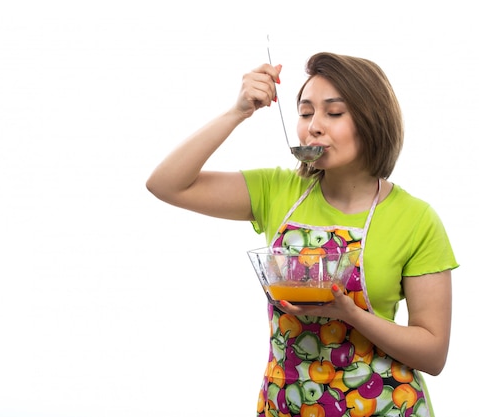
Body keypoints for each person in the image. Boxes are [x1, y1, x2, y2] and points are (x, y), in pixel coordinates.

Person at [146, 51, 458, 417]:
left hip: (383, 405)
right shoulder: (276, 190)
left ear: (372, 121)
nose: (314, 126)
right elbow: (166, 185)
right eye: (306, 113)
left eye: (334, 112)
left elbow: (433, 353)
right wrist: (238, 112)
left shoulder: (415, 219)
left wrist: (349, 314)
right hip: (287, 403)